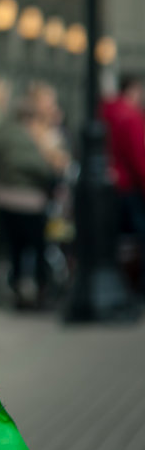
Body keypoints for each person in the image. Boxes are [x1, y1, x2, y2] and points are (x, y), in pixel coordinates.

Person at [0, 82, 70, 309]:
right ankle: (40, 289)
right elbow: (45, 167)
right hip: (32, 201)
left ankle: (19, 289)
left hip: (5, 199)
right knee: (38, 247)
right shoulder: (37, 135)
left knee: (15, 250)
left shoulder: (3, 131)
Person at [101, 74, 145, 294]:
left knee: (113, 239)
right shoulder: (131, 116)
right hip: (129, 186)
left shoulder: (104, 113)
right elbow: (139, 157)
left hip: (109, 184)